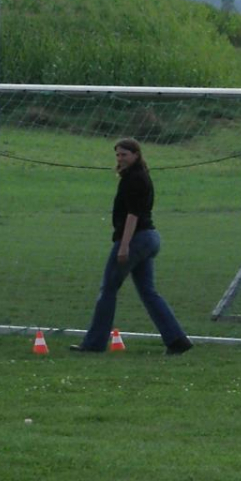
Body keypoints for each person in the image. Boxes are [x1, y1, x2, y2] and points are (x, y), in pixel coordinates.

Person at [71, 137, 193, 356]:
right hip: (149, 239)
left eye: (124, 154)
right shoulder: (137, 176)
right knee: (148, 291)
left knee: (108, 289)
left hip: (137, 239)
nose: (120, 158)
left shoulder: (134, 179)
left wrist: (124, 246)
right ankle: (177, 340)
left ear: (136, 155)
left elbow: (132, 215)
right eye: (118, 155)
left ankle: (94, 343)